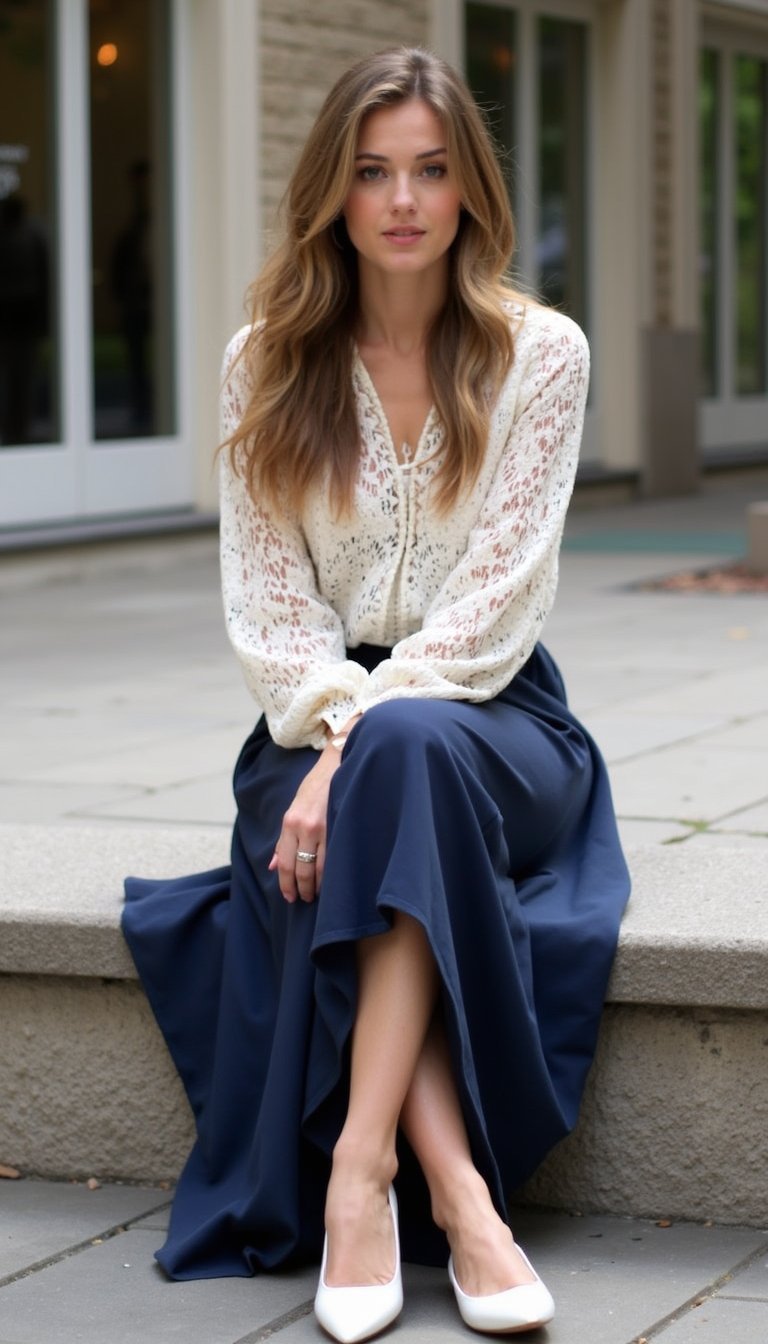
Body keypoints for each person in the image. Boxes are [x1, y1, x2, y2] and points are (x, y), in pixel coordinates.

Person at [123, 46, 630, 1342]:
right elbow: (268, 610)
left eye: (431, 170)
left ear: (470, 191)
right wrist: (343, 735)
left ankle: (358, 1175)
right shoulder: (266, 361)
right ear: (332, 194)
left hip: (500, 722)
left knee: (403, 750)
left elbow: (495, 609)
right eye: (370, 173)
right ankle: (453, 1196)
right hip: (307, 718)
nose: (402, 199)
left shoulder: (542, 356)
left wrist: (355, 753)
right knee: (387, 751)